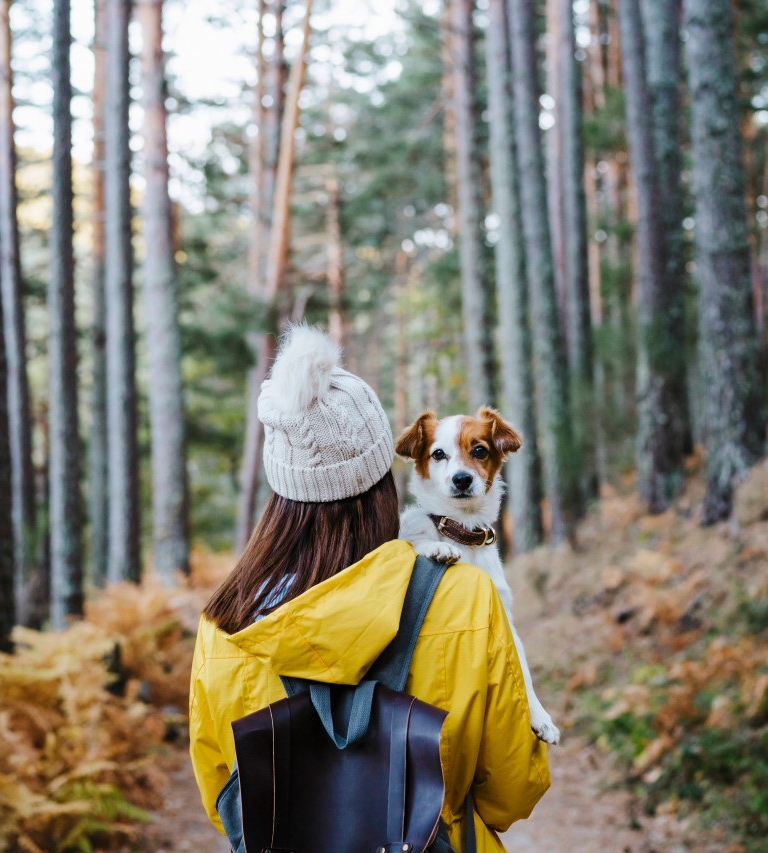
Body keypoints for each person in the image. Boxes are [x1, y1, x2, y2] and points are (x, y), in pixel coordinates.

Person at [188, 325, 549, 851]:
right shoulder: (464, 596)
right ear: (385, 480)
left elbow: (224, 799)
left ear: (279, 491)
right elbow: (514, 790)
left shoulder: (223, 625)